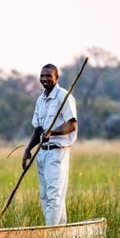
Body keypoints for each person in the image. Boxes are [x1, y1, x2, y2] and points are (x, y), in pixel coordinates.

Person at [21, 64, 78, 226]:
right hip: (42, 152)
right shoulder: (41, 99)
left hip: (57, 152)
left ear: (57, 78)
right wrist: (27, 149)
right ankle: (59, 234)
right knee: (46, 196)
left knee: (54, 196)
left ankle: (50, 236)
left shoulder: (64, 97)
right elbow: (37, 129)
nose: (44, 79)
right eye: (42, 76)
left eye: (48, 76)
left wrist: (52, 133)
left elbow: (72, 125)